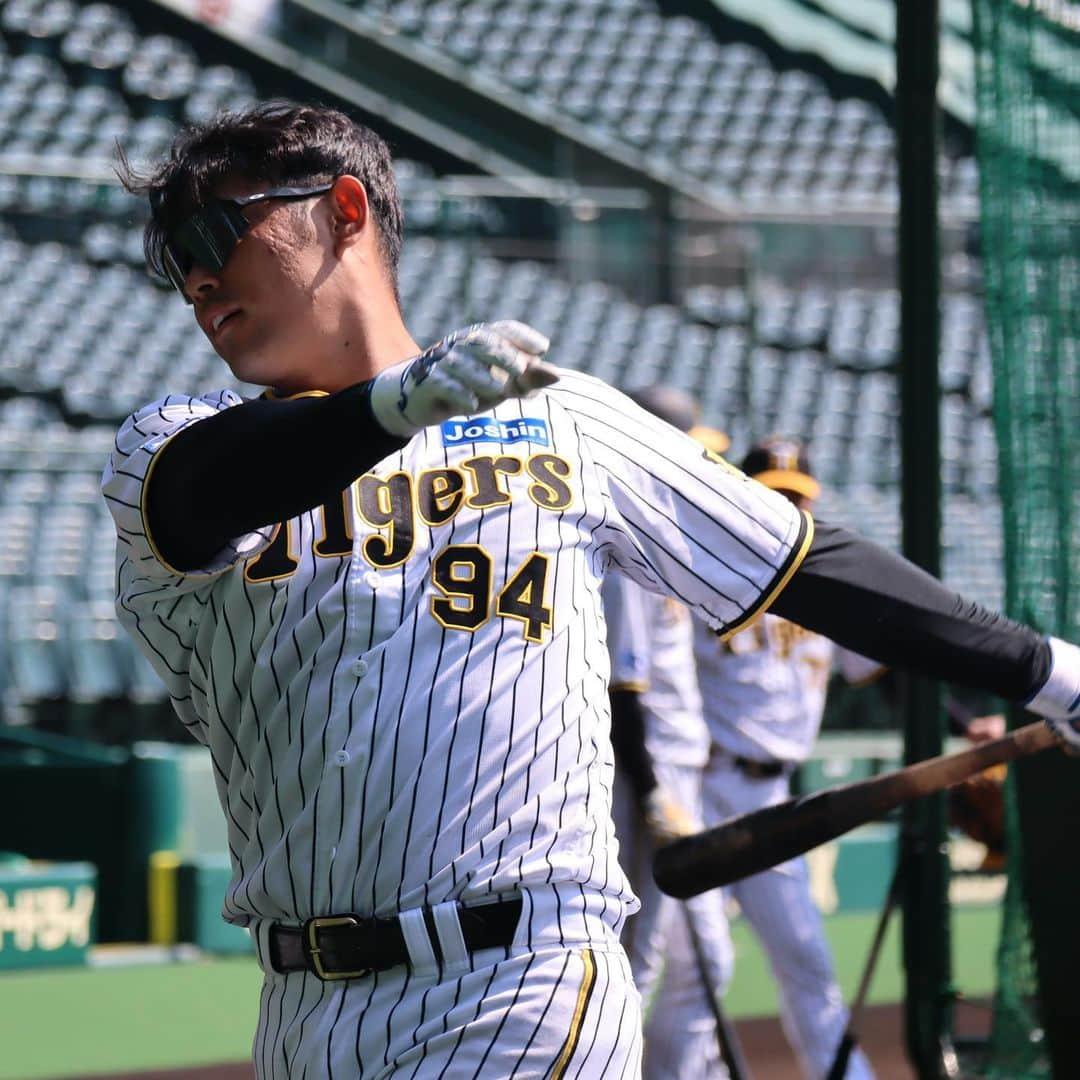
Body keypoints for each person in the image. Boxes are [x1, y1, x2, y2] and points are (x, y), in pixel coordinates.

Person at [102, 101, 1080, 1080]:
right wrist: (394, 407)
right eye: (173, 255)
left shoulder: (557, 418)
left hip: (523, 981)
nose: (195, 275)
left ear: (345, 208)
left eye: (216, 231)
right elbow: (212, 491)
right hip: (301, 1006)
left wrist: (1047, 671)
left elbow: (800, 563)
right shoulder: (174, 443)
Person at [693, 438, 882, 1079]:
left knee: (805, 957)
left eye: (797, 497)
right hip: (701, 786)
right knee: (697, 968)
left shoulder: (822, 584)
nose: (785, 506)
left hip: (772, 797)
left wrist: (970, 720)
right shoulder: (701, 571)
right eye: (773, 492)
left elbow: (880, 666)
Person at [603, 386, 735, 1080]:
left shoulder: (665, 536)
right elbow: (623, 689)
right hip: (644, 775)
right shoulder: (627, 544)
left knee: (704, 959)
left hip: (681, 774)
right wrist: (652, 792)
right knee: (637, 952)